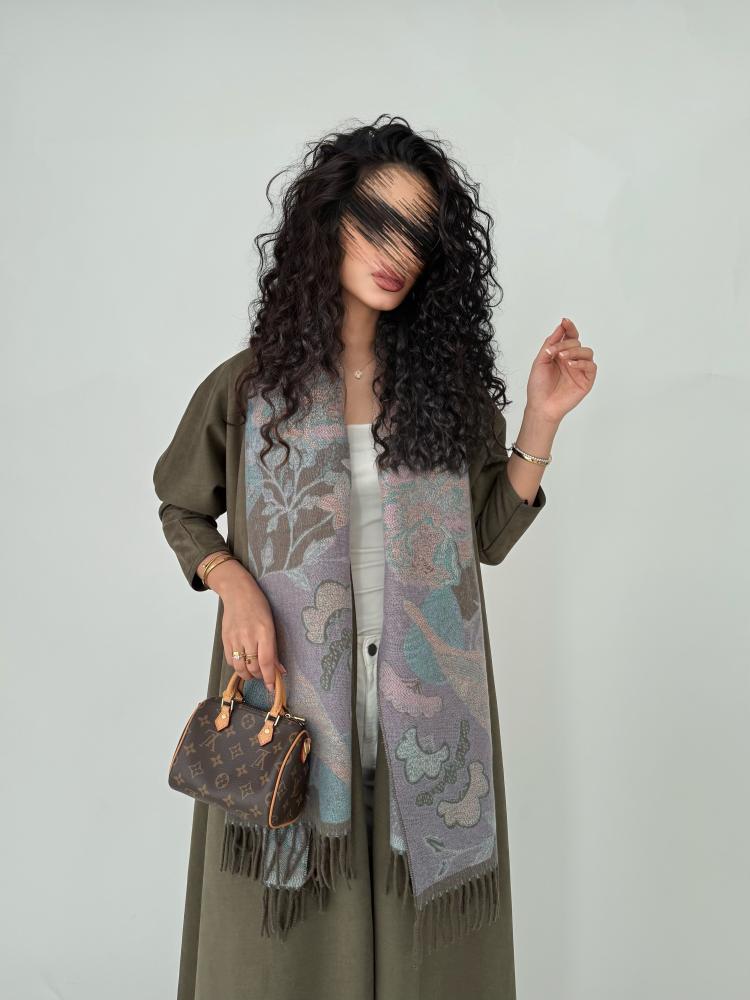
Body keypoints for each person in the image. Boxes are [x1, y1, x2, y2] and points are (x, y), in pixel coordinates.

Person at [153, 115, 596, 1000]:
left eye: (418, 235)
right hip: (289, 704)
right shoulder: (250, 388)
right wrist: (233, 582)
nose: (398, 252)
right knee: (281, 952)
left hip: (423, 714)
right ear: (328, 223)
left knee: (422, 948)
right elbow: (183, 505)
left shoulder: (444, 395)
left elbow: (487, 537)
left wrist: (541, 422)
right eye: (378, 222)